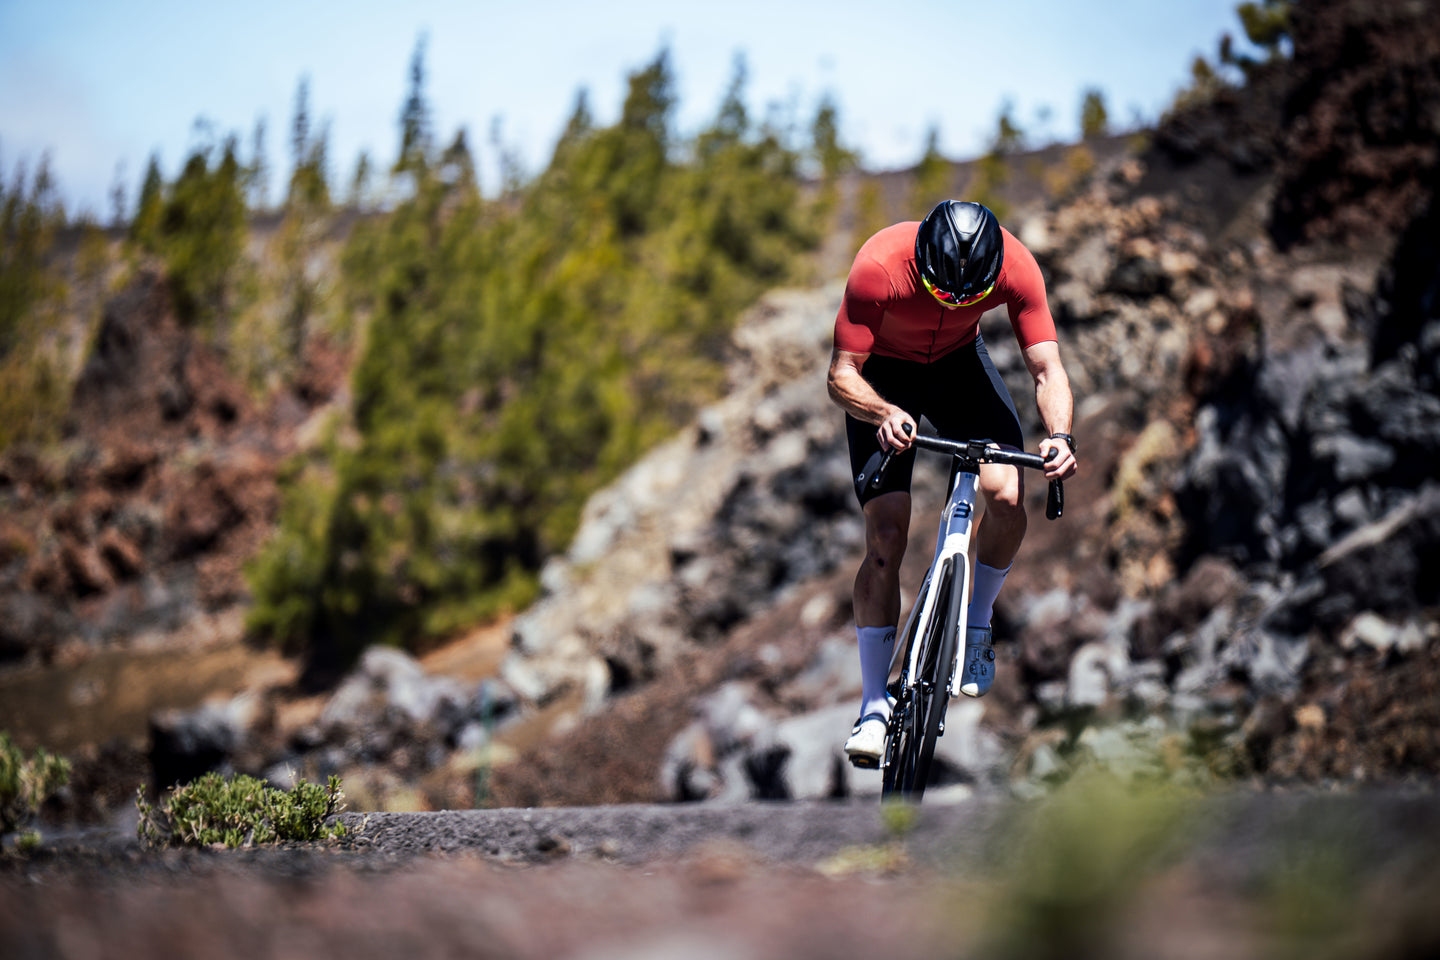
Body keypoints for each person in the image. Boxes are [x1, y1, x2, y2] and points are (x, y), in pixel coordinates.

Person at [827, 199, 1078, 767]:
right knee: (886, 538)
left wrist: (1060, 436)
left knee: (1009, 496)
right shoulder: (879, 265)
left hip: (959, 367)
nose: (959, 303)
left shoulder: (1017, 265)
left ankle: (977, 625)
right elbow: (841, 374)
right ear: (922, 266)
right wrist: (881, 412)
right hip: (886, 376)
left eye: (972, 296)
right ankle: (873, 706)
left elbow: (1047, 369)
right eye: (946, 294)